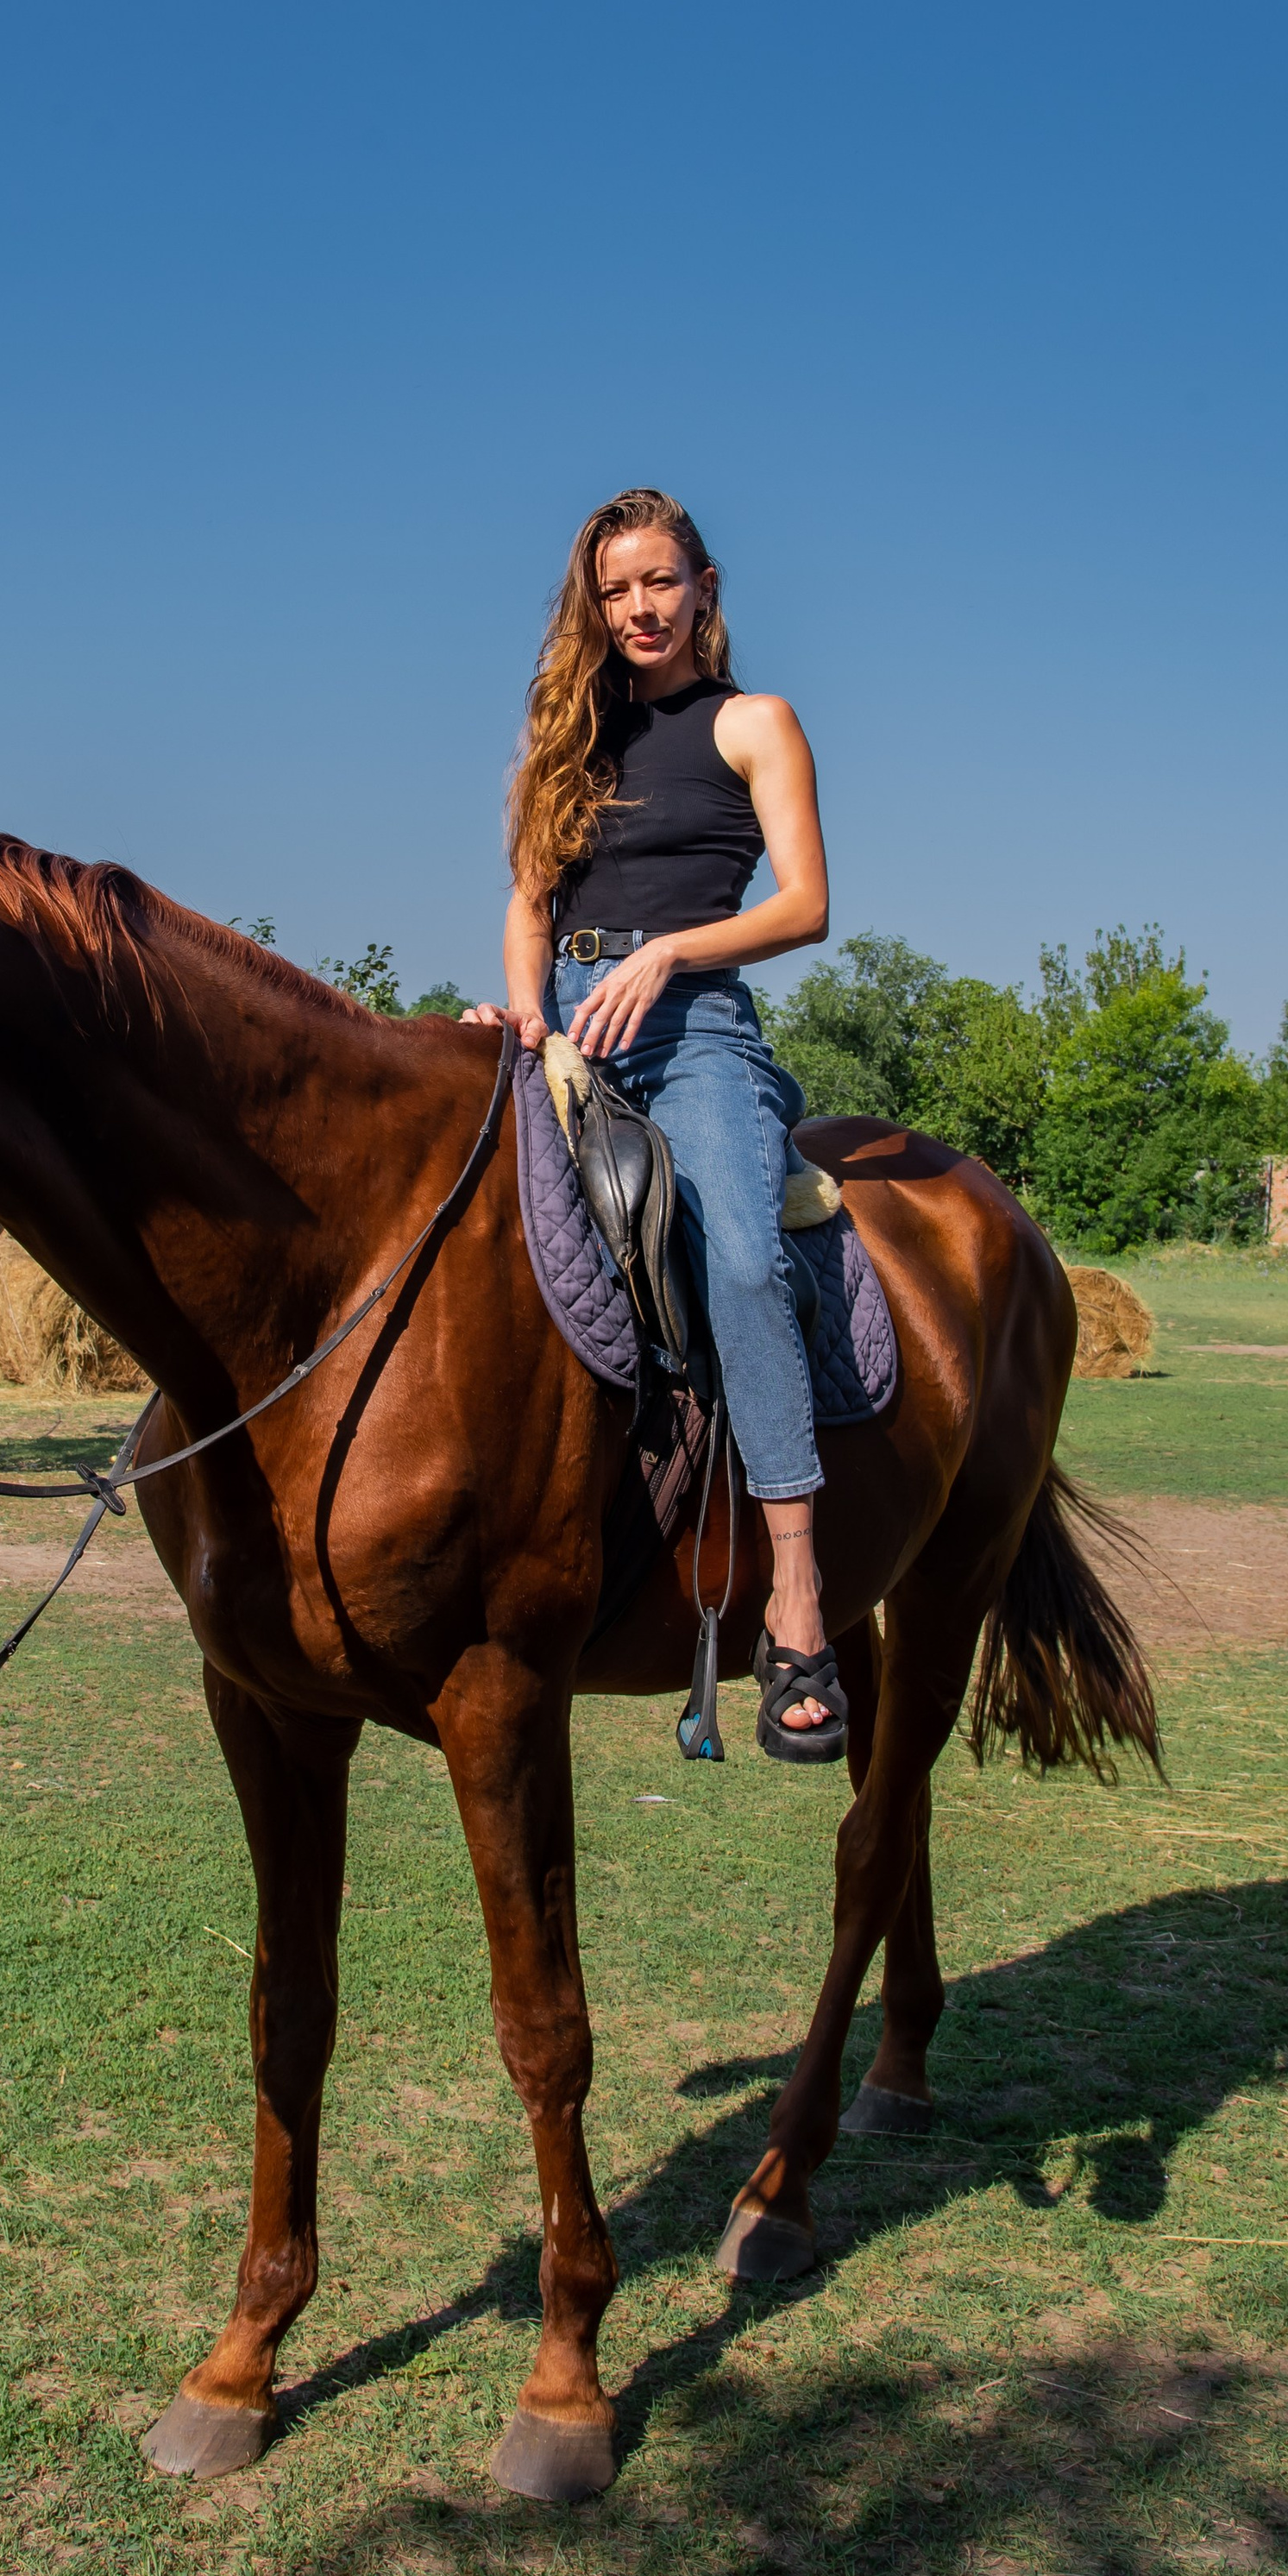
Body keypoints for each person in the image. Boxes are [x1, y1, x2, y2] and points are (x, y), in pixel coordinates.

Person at [465, 488, 844, 1759]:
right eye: (616, 588)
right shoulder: (561, 738)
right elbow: (529, 907)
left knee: (740, 1258)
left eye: (659, 581)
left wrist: (671, 954)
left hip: (693, 1030)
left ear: (703, 586)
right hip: (560, 1022)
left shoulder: (752, 723)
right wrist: (526, 1015)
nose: (639, 608)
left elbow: (805, 907)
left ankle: (795, 1593)